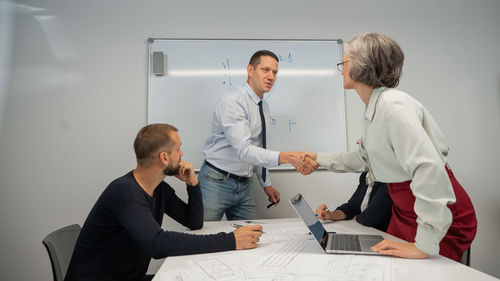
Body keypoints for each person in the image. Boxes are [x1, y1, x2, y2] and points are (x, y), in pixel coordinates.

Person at [304, 32, 477, 262]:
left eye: (344, 62)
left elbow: (428, 169)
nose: (341, 69)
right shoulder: (374, 108)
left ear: (361, 65)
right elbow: (364, 158)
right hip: (406, 212)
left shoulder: (393, 106)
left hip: (437, 215)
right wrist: (317, 159)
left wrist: (423, 246)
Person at [65, 124, 263, 281]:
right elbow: (158, 244)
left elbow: (193, 222)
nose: (182, 154)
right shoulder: (125, 192)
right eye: (178, 149)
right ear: (164, 157)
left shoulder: (158, 188)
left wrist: (193, 185)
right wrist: (230, 240)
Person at [200, 50, 314, 221]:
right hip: (217, 181)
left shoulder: (264, 106)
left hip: (245, 184)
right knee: (204, 237)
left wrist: (266, 185)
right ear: (250, 70)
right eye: (265, 70)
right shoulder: (233, 101)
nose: (271, 76)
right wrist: (287, 157)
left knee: (251, 237)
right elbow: (245, 151)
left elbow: (258, 148)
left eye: (275, 72)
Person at [314, 171, 392, 232]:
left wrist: (355, 217)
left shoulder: (388, 179)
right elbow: (352, 206)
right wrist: (331, 215)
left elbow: (370, 218)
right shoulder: (366, 176)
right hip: (364, 231)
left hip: (382, 237)